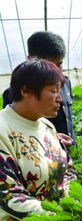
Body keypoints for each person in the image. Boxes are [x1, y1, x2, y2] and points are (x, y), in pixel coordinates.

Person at [0, 59, 76, 220]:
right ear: (26, 90)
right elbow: (8, 195)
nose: (60, 98)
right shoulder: (3, 129)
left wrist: (75, 204)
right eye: (54, 91)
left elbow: (68, 170)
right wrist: (64, 216)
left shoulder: (46, 125)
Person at [2, 31, 75, 147]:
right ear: (31, 60)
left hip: (65, 150)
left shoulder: (65, 82)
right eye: (49, 66)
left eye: (59, 65)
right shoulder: (15, 93)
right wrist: (51, 138)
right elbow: (16, 130)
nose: (55, 71)